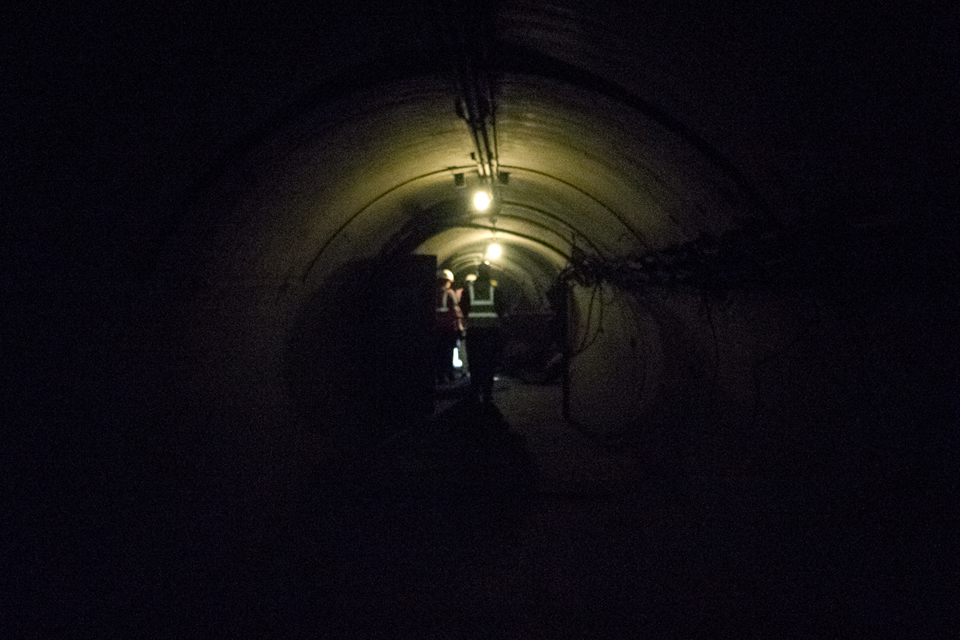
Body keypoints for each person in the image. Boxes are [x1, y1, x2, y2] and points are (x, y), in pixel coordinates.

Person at [460, 262, 504, 403]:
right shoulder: (495, 289)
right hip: (491, 331)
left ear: (478, 272)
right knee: (489, 363)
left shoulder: (468, 289)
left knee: (475, 363)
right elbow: (501, 308)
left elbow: (463, 307)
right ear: (489, 272)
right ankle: (487, 393)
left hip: (474, 331)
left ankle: (474, 392)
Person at [434, 268, 463, 385]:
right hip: (448, 329)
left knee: (438, 353)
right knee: (448, 352)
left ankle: (439, 376)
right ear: (448, 281)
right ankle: (449, 375)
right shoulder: (450, 293)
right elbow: (456, 312)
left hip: (436, 329)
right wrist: (460, 329)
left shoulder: (433, 293)